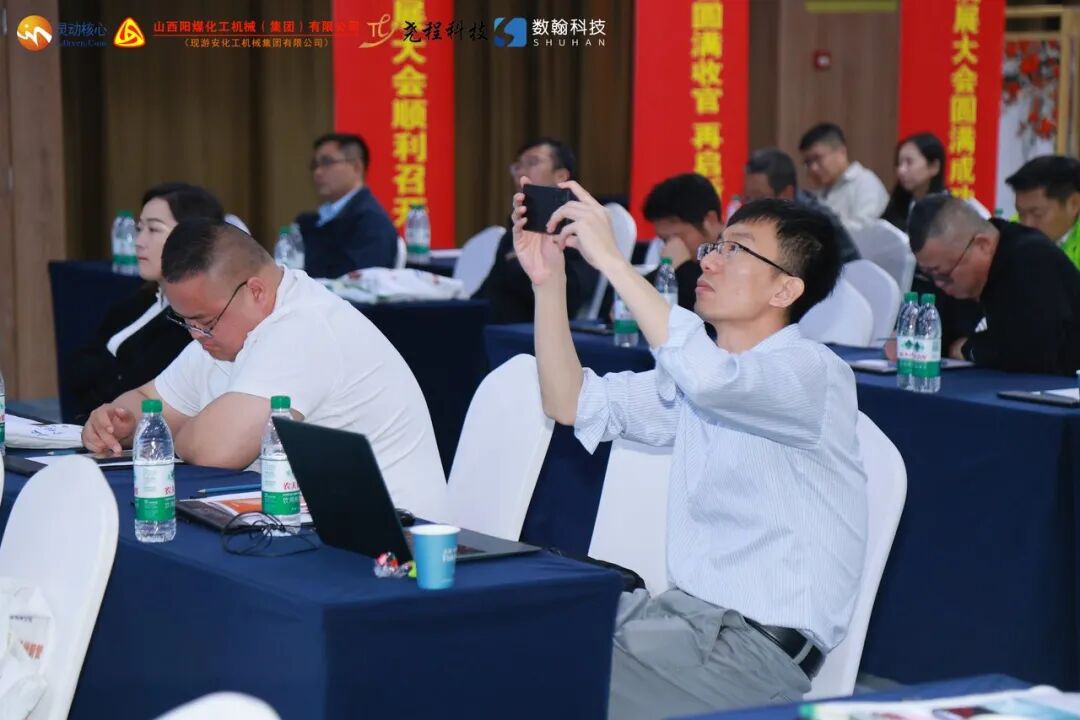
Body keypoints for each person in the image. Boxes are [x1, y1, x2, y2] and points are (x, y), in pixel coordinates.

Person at [514, 178, 867, 718]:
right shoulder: (698, 380)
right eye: (715, 246)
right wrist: (549, 283)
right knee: (504, 634)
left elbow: (712, 381)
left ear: (784, 291)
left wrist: (615, 263)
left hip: (748, 659)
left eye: (736, 250)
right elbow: (571, 402)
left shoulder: (812, 373)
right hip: (674, 625)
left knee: (535, 681)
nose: (710, 260)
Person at [80, 219, 448, 520]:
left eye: (204, 321)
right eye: (186, 322)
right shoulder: (224, 333)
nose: (195, 334)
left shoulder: (305, 327)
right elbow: (148, 400)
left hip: (394, 541)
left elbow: (216, 450)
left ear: (256, 291)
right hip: (314, 523)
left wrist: (165, 430)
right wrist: (117, 421)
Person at [67, 183, 225, 423]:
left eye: (153, 229)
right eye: (139, 228)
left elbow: (142, 385)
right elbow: (78, 367)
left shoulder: (196, 320)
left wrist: (107, 374)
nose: (139, 241)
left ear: (192, 238)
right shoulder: (138, 300)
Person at [908, 194, 1080, 375]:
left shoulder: (1030, 259)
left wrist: (968, 348)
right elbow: (935, 338)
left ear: (983, 245)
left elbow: (1034, 350)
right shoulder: (950, 264)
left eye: (944, 274)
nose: (939, 284)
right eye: (930, 274)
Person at [473, 137, 598, 323]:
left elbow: (571, 298)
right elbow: (490, 289)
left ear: (561, 176)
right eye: (517, 166)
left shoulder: (577, 226)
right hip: (492, 326)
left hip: (533, 330)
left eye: (532, 163)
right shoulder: (519, 224)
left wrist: (522, 266)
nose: (520, 172)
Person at [294, 133, 398, 279]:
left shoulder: (371, 222)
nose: (318, 172)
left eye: (327, 162)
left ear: (356, 167)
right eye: (315, 165)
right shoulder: (310, 222)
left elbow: (356, 281)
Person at [743, 149, 860, 264]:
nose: (752, 206)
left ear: (786, 193)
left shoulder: (816, 223)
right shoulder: (754, 220)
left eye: (759, 198)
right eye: (748, 198)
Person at [798, 123, 889, 234]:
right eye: (808, 162)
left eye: (818, 158)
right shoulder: (816, 194)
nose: (813, 168)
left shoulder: (865, 183)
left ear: (841, 152)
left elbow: (865, 231)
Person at [1005, 155, 1080, 271]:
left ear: (1074, 204)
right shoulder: (1010, 235)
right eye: (1021, 213)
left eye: (1037, 214)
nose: (1027, 224)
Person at [881, 132, 946, 232]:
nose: (901, 170)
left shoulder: (950, 210)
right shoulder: (897, 205)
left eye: (909, 162)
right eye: (899, 163)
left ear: (934, 167)